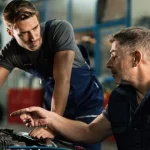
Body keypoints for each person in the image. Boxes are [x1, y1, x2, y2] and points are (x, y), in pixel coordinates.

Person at [11, 26, 150, 150]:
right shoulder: (120, 98)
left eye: (114, 56)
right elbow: (90, 132)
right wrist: (50, 118)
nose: (108, 64)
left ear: (136, 58)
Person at [1, 0, 104, 149]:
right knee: (53, 147)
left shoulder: (59, 30)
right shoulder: (10, 53)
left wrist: (52, 125)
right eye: (24, 33)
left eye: (35, 28)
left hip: (85, 100)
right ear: (10, 32)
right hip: (54, 102)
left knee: (86, 144)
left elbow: (62, 80)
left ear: (38, 19)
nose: (33, 37)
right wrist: (51, 120)